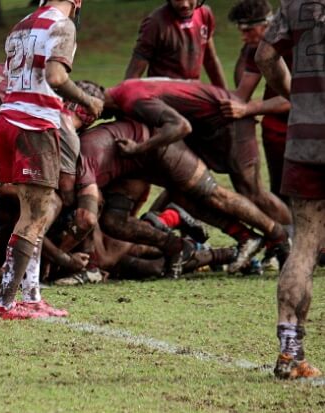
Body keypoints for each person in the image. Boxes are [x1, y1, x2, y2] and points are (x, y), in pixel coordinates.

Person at [104, 78, 291, 271]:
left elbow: (180, 126)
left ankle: (285, 239)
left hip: (227, 119)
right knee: (182, 193)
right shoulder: (125, 90)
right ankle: (247, 237)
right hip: (204, 128)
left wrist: (139, 149)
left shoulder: (131, 98)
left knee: (249, 191)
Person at [0, 0, 104, 320]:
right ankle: (6, 303)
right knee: (36, 213)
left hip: (9, 119)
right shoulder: (62, 25)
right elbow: (55, 76)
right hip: (34, 125)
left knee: (35, 212)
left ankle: (31, 297)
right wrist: (88, 99)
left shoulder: (22, 24)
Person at [255, 0, 325, 380]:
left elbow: (264, 55)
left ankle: (290, 354)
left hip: (306, 139)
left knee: (303, 247)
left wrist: (296, 95)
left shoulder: (295, 5)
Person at [226, 0, 290, 201]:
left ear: (267, 24)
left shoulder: (297, 42)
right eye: (241, 31)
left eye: (248, 30)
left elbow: (300, 98)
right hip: (276, 127)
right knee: (280, 191)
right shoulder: (254, 48)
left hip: (310, 125)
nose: (243, 36)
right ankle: (286, 230)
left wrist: (249, 109)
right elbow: (241, 94)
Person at [125, 0, 226, 88]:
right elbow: (135, 70)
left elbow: (210, 59)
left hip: (193, 91)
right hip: (164, 95)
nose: (185, 4)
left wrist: (226, 95)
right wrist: (123, 99)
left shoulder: (205, 14)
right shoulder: (155, 23)